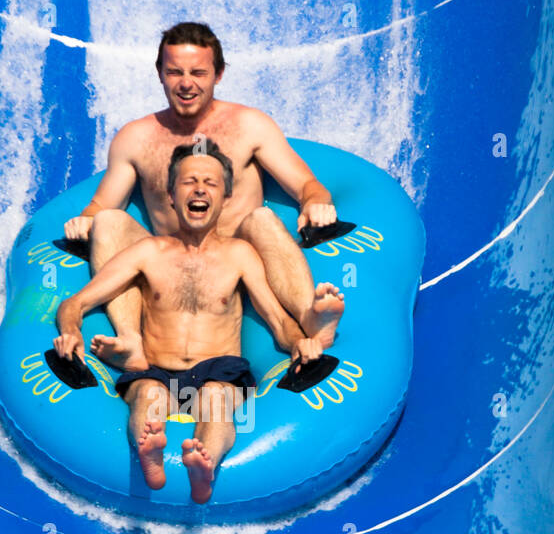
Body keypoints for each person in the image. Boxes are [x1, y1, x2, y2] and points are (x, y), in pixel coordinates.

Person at [55, 143, 342, 505]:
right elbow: (76, 302)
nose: (200, 190)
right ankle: (149, 448)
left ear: (225, 198)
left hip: (219, 368)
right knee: (147, 396)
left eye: (211, 183)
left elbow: (276, 319)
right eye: (189, 182)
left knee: (217, 401)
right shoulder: (149, 253)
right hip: (156, 367)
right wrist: (70, 331)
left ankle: (204, 462)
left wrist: (299, 342)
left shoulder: (239, 254)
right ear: (172, 197)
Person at [62, 21, 344, 374]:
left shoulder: (250, 126)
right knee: (108, 222)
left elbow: (307, 185)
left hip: (239, 263)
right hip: (171, 268)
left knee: (261, 220)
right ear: (160, 74)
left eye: (198, 72)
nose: (186, 83)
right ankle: (130, 339)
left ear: (218, 74)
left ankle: (309, 317)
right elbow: (102, 205)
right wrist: (87, 218)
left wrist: (314, 202)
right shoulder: (136, 138)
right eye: (175, 71)